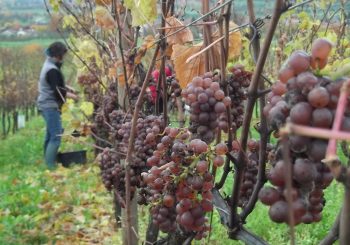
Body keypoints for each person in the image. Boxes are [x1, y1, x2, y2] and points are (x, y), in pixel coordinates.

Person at [37, 41, 78, 169]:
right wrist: (73, 96)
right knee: (56, 136)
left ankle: (48, 162)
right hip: (49, 106)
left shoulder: (49, 64)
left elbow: (56, 84)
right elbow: (57, 91)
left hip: (45, 104)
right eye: (63, 55)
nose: (64, 58)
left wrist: (69, 88)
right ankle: (50, 166)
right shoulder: (52, 70)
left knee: (50, 134)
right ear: (58, 54)